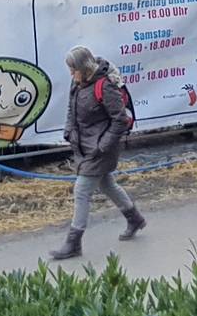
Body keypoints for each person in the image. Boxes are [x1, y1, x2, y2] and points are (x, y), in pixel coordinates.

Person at [49, 45, 144, 260]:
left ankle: (73, 243)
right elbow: (71, 110)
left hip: (100, 149)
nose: (71, 75)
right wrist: (68, 130)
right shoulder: (78, 83)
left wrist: (103, 145)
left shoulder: (105, 86)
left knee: (81, 190)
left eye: (74, 70)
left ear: (84, 67)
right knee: (107, 184)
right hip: (85, 145)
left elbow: (120, 120)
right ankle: (134, 218)